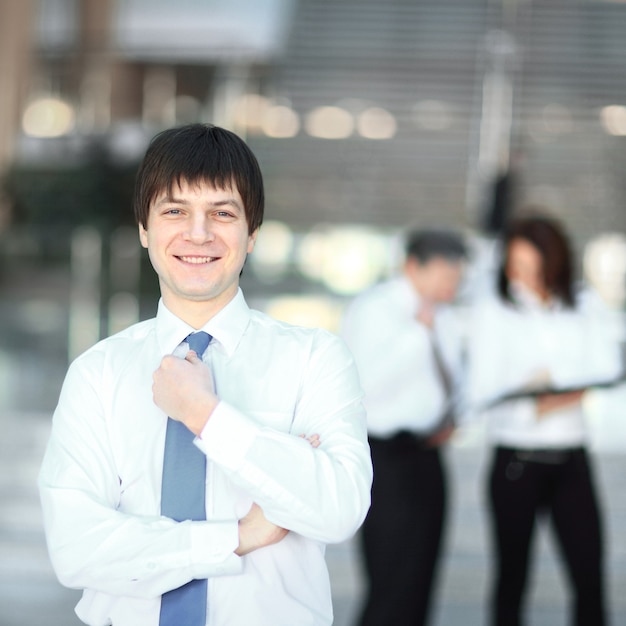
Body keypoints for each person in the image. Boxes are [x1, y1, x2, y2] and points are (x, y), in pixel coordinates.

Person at [38, 123, 373, 626]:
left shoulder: (314, 359)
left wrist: (207, 416)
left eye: (222, 213)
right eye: (175, 211)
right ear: (144, 229)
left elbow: (338, 508)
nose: (199, 234)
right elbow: (77, 549)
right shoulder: (98, 373)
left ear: (252, 233)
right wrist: (237, 536)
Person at [465, 214, 623, 626]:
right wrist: (560, 386)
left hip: (571, 458)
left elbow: (606, 366)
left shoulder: (583, 303)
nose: (523, 277)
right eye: (515, 266)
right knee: (512, 578)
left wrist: (542, 384)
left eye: (533, 267)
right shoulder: (494, 309)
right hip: (516, 460)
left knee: (588, 575)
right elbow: (483, 387)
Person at [341, 229, 468, 626]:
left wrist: (451, 419)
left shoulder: (444, 315)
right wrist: (417, 332)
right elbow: (364, 383)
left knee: (422, 578)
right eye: (448, 274)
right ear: (415, 266)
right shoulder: (375, 309)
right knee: (390, 577)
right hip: (385, 457)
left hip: (428, 454)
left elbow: (454, 379)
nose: (455, 284)